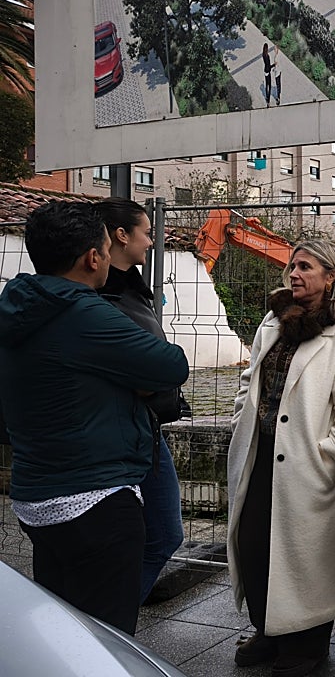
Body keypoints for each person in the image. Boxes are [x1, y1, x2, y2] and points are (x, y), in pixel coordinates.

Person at [0, 201, 190, 635]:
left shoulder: (21, 304)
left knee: (65, 624)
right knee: (105, 636)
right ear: (93, 258)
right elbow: (171, 366)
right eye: (105, 249)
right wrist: (126, 377)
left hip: (37, 497)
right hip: (95, 499)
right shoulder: (85, 313)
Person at [227, 240, 335, 677]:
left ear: (330, 277)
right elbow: (249, 379)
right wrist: (241, 420)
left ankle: (307, 644)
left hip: (309, 459)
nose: (294, 273)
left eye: (305, 266)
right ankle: (268, 630)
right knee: (254, 544)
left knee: (305, 553)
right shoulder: (273, 321)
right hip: (261, 452)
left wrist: (331, 456)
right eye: (292, 265)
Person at [96, 198, 191, 605]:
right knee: (155, 535)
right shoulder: (103, 299)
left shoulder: (132, 290)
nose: (152, 242)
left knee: (162, 534)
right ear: (121, 235)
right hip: (125, 431)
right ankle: (106, 628)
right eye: (147, 232)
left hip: (146, 429)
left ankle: (110, 621)